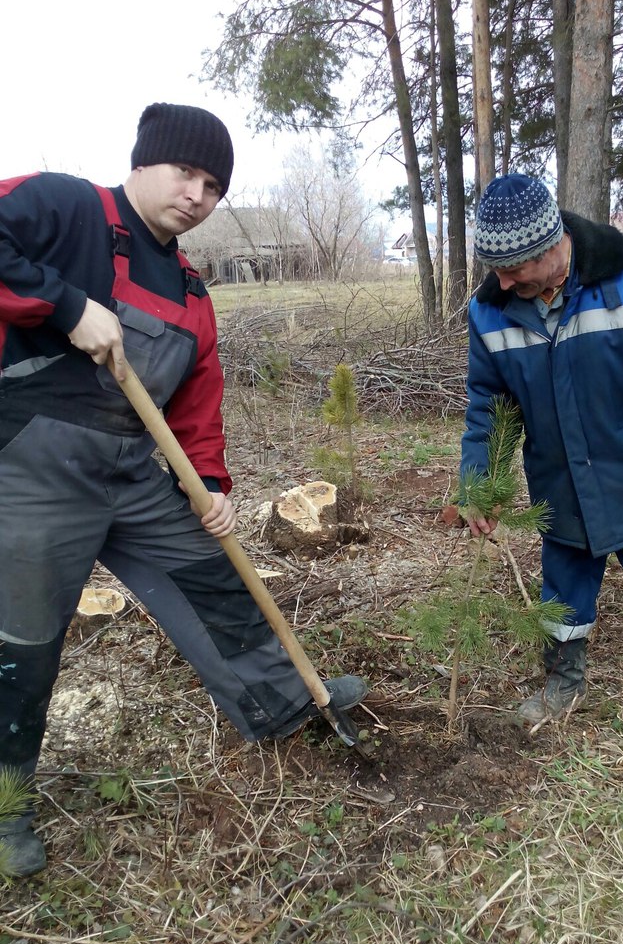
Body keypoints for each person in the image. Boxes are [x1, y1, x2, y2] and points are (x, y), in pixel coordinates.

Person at [0, 103, 367, 878]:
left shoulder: (194, 292)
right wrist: (66, 306)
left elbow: (197, 403)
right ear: (142, 164)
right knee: (23, 642)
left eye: (213, 184)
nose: (197, 194)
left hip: (134, 470)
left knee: (215, 577)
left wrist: (207, 484)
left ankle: (286, 700)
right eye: (185, 172)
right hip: (33, 465)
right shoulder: (66, 207)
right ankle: (7, 805)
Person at [461, 173, 623, 762]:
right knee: (564, 591)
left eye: (513, 268)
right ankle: (562, 681)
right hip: (561, 487)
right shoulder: (492, 310)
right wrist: (481, 487)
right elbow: (488, 408)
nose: (501, 282)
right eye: (496, 269)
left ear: (552, 246)